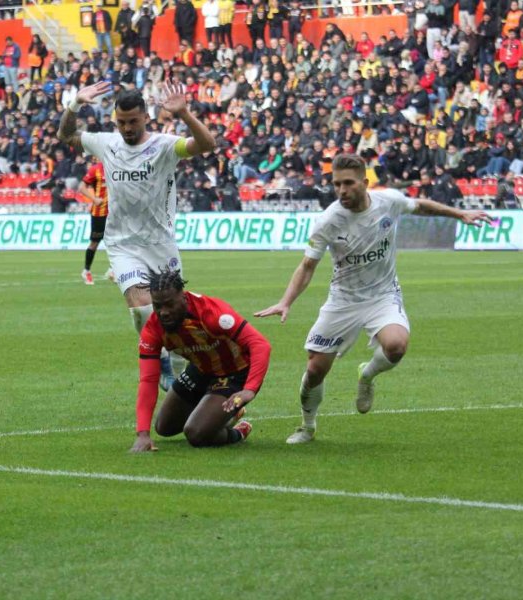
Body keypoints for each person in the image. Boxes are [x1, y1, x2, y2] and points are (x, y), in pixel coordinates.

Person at [254, 155, 492, 444]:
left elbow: (421, 205)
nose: (341, 190)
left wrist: (459, 214)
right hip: (343, 300)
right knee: (315, 370)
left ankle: (366, 375)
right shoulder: (328, 220)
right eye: (336, 184)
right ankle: (307, 426)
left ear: (365, 183)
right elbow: (307, 266)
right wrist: (286, 301)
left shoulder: (387, 201)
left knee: (396, 346)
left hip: (383, 294)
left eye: (348, 183)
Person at [57, 81, 216, 390]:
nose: (127, 128)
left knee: (175, 315)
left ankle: (179, 368)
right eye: (121, 122)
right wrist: (75, 104)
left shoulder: (164, 145)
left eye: (133, 121)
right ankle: (163, 361)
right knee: (141, 306)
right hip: (122, 244)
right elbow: (66, 135)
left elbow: (206, 144)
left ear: (145, 117)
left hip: (160, 244)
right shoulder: (106, 143)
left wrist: (184, 113)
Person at [130, 268, 271, 452]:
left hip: (236, 373)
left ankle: (238, 432)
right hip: (201, 369)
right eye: (157, 306)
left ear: (183, 297)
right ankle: (219, 413)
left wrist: (249, 390)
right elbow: (148, 380)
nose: (163, 312)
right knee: (164, 427)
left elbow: (260, 345)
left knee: (196, 433)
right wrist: (142, 434)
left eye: (169, 304)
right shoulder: (153, 329)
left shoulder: (212, 314)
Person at [77, 157, 114, 285]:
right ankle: (86, 271)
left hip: (115, 213)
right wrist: (94, 199)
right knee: (95, 243)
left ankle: (112, 270)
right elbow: (81, 187)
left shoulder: (117, 167)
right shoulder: (96, 169)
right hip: (99, 213)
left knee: (117, 242)